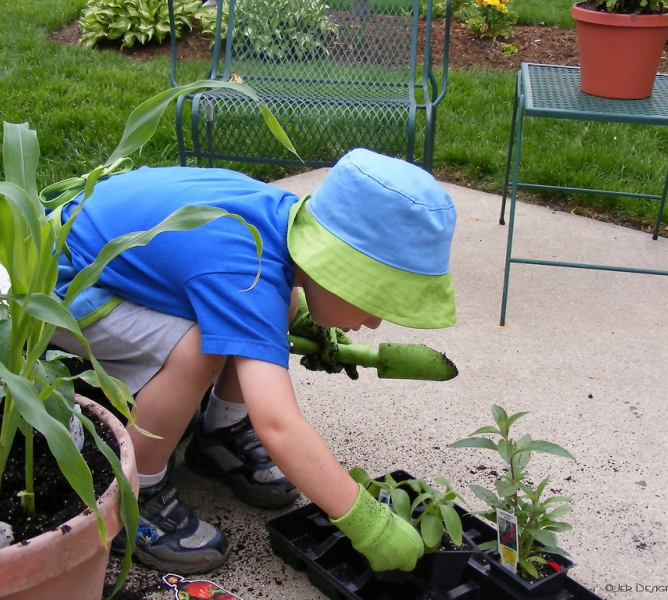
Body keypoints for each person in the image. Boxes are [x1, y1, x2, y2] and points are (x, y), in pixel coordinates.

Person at [50, 148, 457, 575]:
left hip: (107, 248)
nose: (373, 323)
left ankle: (221, 433)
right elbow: (279, 425)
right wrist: (368, 524)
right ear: (335, 268)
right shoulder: (248, 271)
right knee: (195, 349)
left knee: (276, 305)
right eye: (373, 301)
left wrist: (299, 318)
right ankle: (135, 496)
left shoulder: (278, 225)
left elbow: (247, 287)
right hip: (62, 280)